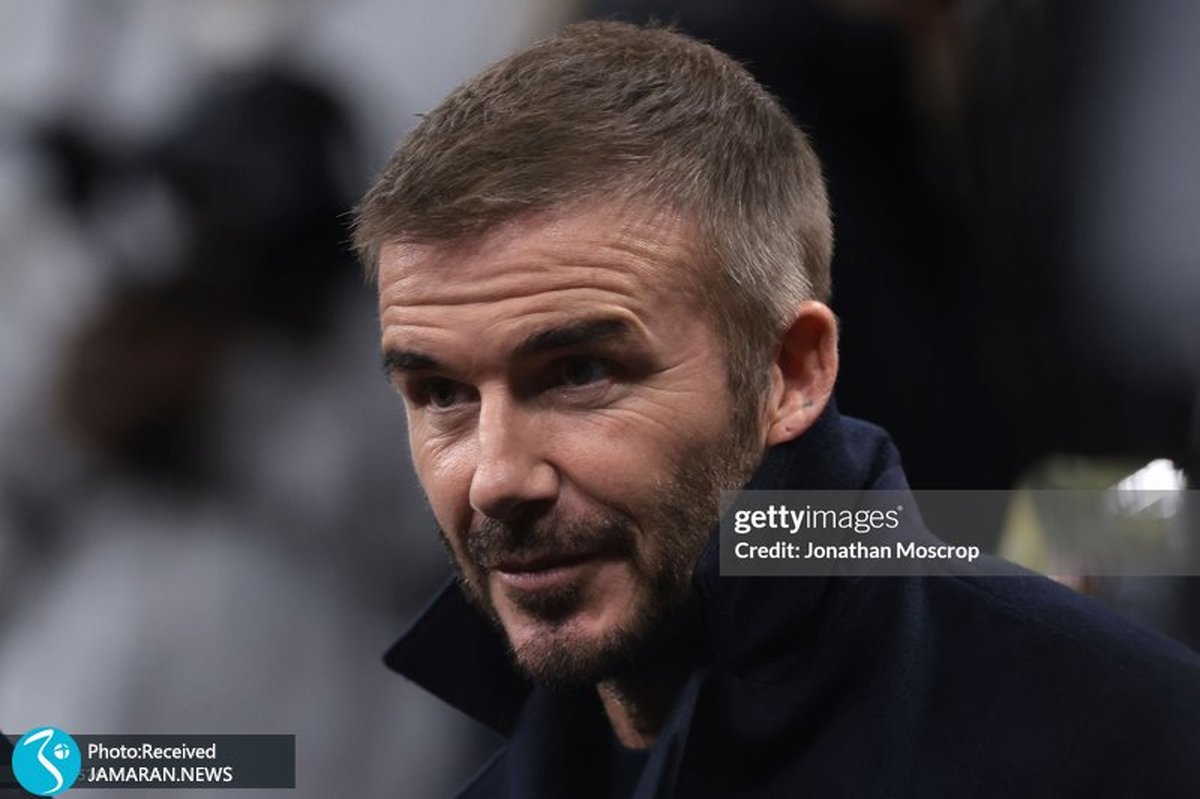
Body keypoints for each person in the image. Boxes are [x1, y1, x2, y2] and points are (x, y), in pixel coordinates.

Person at [353, 21, 1200, 798]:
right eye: (441, 393)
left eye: (579, 372)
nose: (496, 478)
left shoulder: (1127, 740)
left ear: (793, 370)